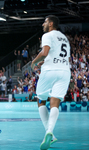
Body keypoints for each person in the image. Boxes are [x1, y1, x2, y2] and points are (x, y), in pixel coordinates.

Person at [31, 15, 70, 150]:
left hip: (50, 71)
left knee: (40, 100)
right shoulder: (64, 37)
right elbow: (57, 55)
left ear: (51, 24)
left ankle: (50, 134)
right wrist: (45, 61)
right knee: (55, 101)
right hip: (65, 71)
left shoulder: (47, 35)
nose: (43, 24)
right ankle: (50, 131)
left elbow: (45, 52)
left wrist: (34, 62)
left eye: (45, 22)